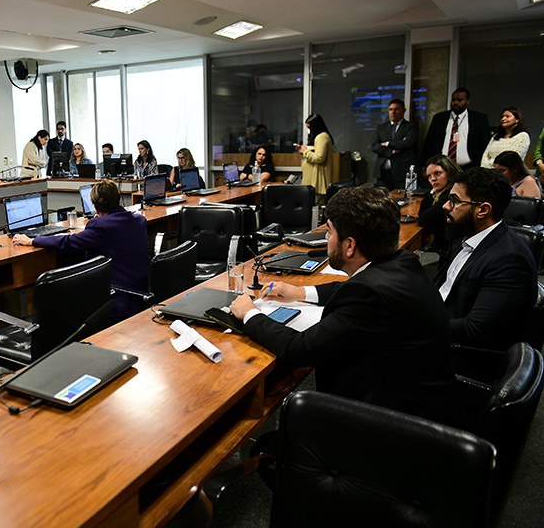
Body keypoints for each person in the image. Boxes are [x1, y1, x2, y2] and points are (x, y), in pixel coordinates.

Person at [229, 184, 460, 423]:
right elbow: (350, 290)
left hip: (391, 423)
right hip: (420, 400)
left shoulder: (369, 293)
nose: (326, 240)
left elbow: (299, 349)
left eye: (329, 233)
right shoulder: (400, 262)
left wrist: (250, 314)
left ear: (349, 245)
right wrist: (300, 292)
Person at [12, 180, 149, 321]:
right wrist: (103, 218)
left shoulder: (101, 226)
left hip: (117, 297)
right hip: (141, 292)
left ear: (95, 206)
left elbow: (69, 242)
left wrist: (32, 240)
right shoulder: (138, 220)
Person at [436, 167, 537, 349]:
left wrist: (420, 324)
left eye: (454, 200)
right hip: (441, 325)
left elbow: (476, 330)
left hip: (464, 355)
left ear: (482, 210)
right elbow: (444, 288)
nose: (446, 206)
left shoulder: (510, 259)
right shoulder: (465, 235)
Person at [421, 87, 491, 168]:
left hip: (470, 167)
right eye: (453, 100)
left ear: (467, 101)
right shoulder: (439, 118)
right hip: (442, 166)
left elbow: (485, 143)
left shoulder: (479, 119)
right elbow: (429, 143)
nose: (455, 103)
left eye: (460, 100)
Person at [417, 155, 462, 261]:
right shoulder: (441, 192)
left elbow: (423, 219)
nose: (433, 179)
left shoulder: (452, 194)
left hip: (450, 251)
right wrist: (432, 192)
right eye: (429, 176)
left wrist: (431, 193)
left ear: (449, 172)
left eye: (437, 173)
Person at [370, 98, 418, 190]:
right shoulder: (381, 128)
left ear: (403, 111)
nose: (393, 112)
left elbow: (408, 143)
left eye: (396, 109)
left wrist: (387, 144)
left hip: (401, 172)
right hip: (382, 173)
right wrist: (391, 152)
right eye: (391, 109)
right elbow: (374, 146)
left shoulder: (410, 127)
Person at [295, 114, 333, 197]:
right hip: (311, 179)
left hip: (316, 180)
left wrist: (305, 152)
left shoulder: (321, 137)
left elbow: (319, 158)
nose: (309, 131)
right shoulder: (322, 136)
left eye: (309, 128)